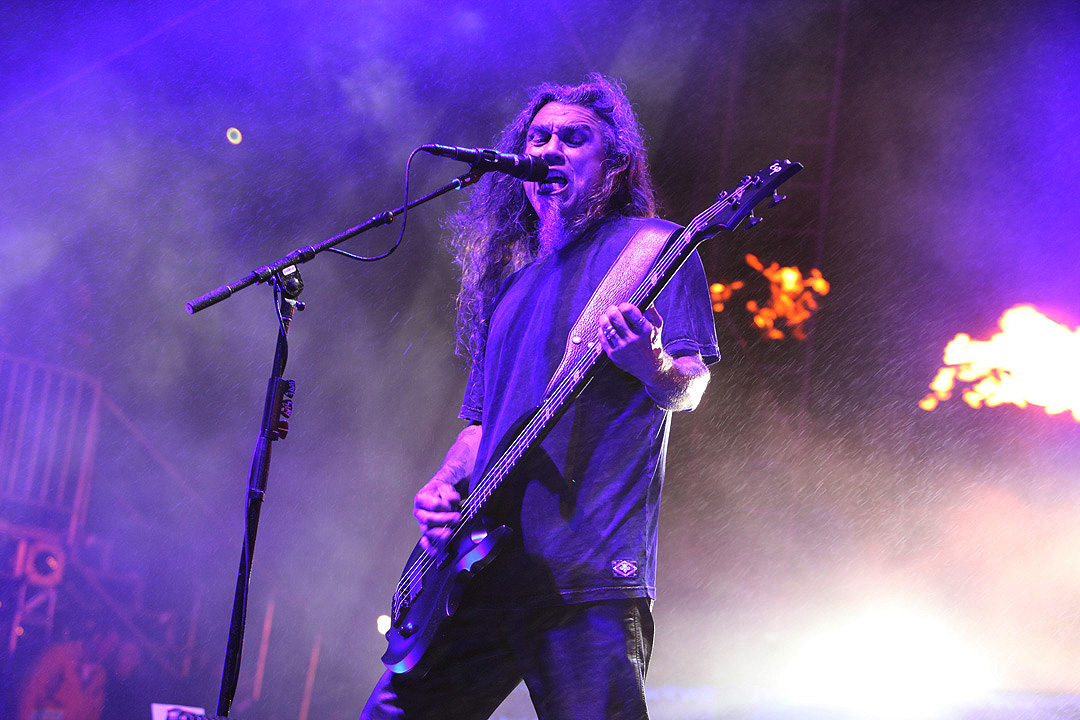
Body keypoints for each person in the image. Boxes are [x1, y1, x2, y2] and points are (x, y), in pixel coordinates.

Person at [361, 73, 720, 720]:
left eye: (574, 138)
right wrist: (443, 484)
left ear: (614, 164)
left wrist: (652, 363)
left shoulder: (655, 249)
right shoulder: (511, 286)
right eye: (538, 137)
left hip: (585, 572)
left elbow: (690, 386)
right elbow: (480, 426)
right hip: (480, 569)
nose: (550, 149)